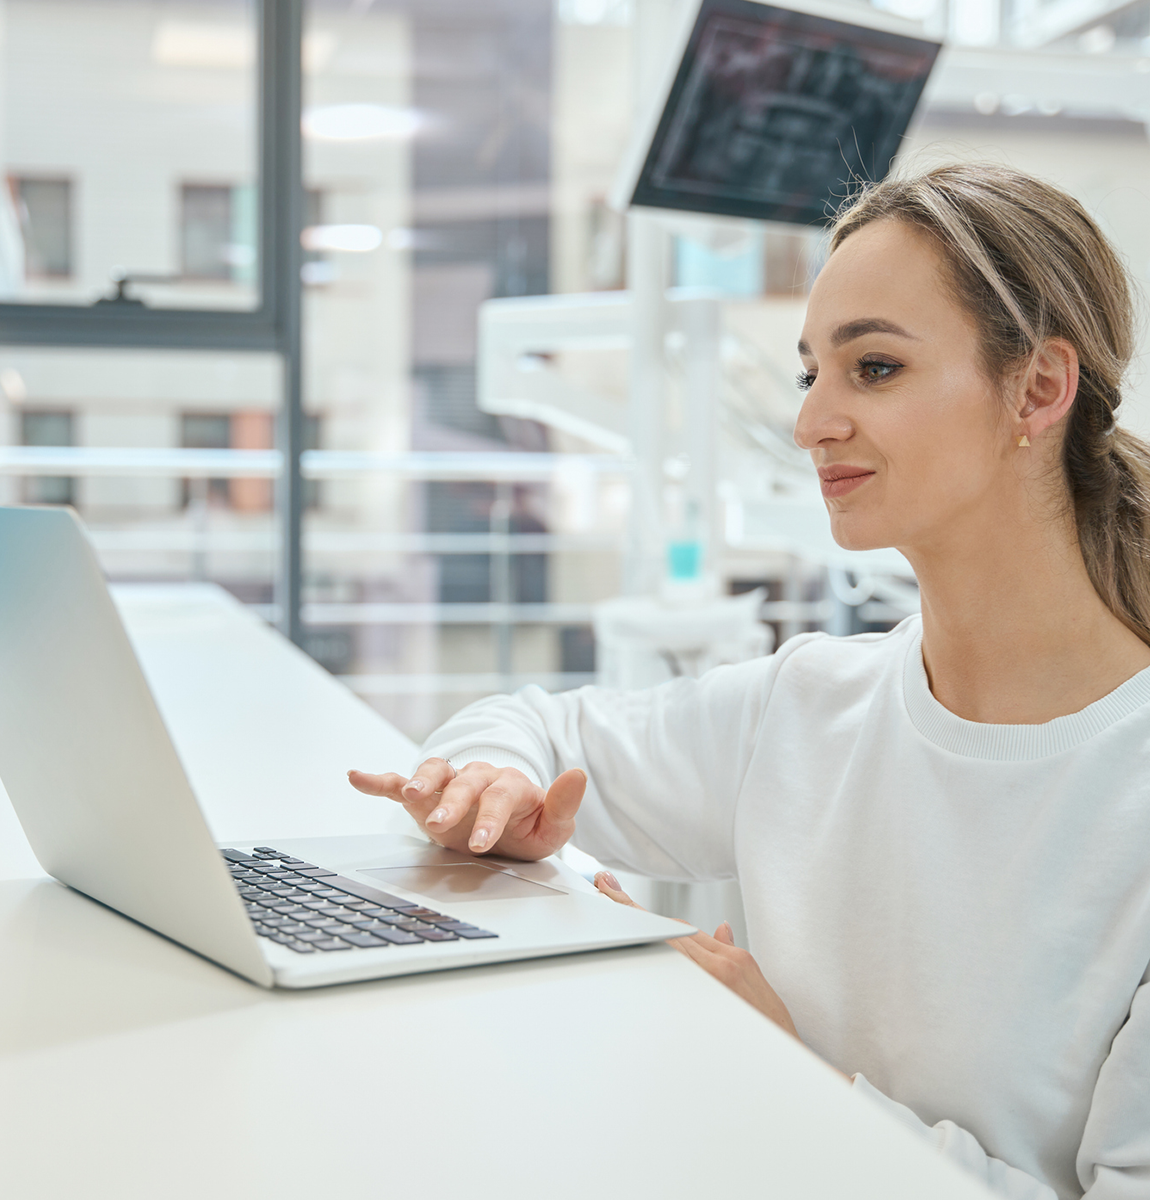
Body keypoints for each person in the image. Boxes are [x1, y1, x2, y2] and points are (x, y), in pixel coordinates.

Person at [349, 163, 1150, 1200]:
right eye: (812, 373)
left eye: (873, 368)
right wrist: (489, 788)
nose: (810, 422)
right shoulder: (809, 706)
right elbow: (525, 727)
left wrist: (796, 1078)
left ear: (1038, 389)